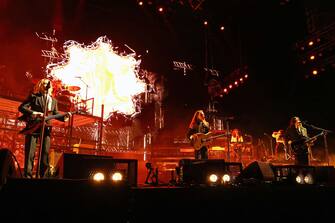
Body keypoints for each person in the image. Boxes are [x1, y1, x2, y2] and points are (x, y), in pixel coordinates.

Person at [18, 78, 71, 178]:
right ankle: (27, 177)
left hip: (46, 129)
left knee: (45, 154)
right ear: (40, 85)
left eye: (48, 84)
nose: (46, 85)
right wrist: (34, 112)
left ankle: (43, 177)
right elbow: (21, 107)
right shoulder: (34, 97)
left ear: (51, 87)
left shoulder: (53, 101)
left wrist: (65, 117)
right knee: (30, 153)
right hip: (33, 127)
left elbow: (55, 114)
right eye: (44, 84)